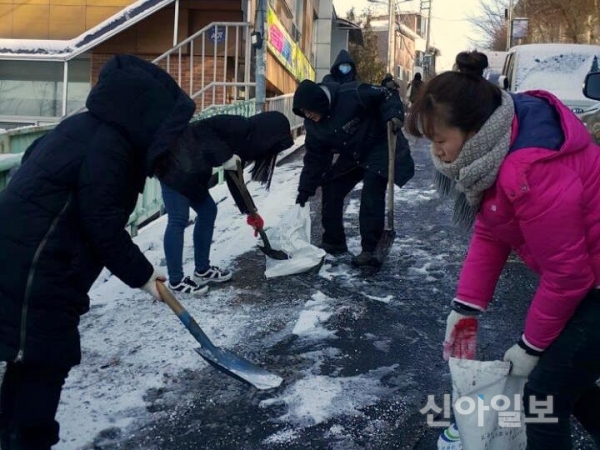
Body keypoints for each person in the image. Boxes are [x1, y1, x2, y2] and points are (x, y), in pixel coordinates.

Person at [0, 54, 195, 450]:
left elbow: (34, 161)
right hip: (37, 270)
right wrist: (143, 276)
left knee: (29, 362)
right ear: (148, 116)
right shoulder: (111, 149)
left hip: (29, 259)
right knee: (43, 363)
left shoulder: (85, 128)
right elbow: (102, 224)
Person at [406, 56, 600, 449]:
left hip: (591, 282)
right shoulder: (495, 149)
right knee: (565, 381)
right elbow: (493, 231)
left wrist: (530, 346)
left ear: (473, 129)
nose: (437, 153)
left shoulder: (529, 169)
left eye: (441, 140)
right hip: (589, 278)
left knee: (541, 396)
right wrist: (466, 307)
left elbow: (568, 275)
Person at [156, 112, 294, 294]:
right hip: (173, 163)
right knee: (178, 218)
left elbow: (235, 178)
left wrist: (250, 212)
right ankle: (176, 280)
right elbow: (202, 128)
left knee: (208, 211)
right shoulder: (239, 125)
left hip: (193, 172)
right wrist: (225, 156)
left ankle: (202, 270)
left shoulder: (247, 143)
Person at [292, 78, 414, 267]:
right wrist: (304, 190)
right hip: (353, 153)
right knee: (332, 186)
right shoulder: (314, 125)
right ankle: (334, 241)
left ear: (319, 102)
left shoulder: (352, 93)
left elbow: (386, 94)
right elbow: (314, 159)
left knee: (371, 191)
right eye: (303, 113)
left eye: (308, 110)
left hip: (379, 145)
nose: (307, 115)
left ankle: (370, 249)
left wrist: (394, 114)